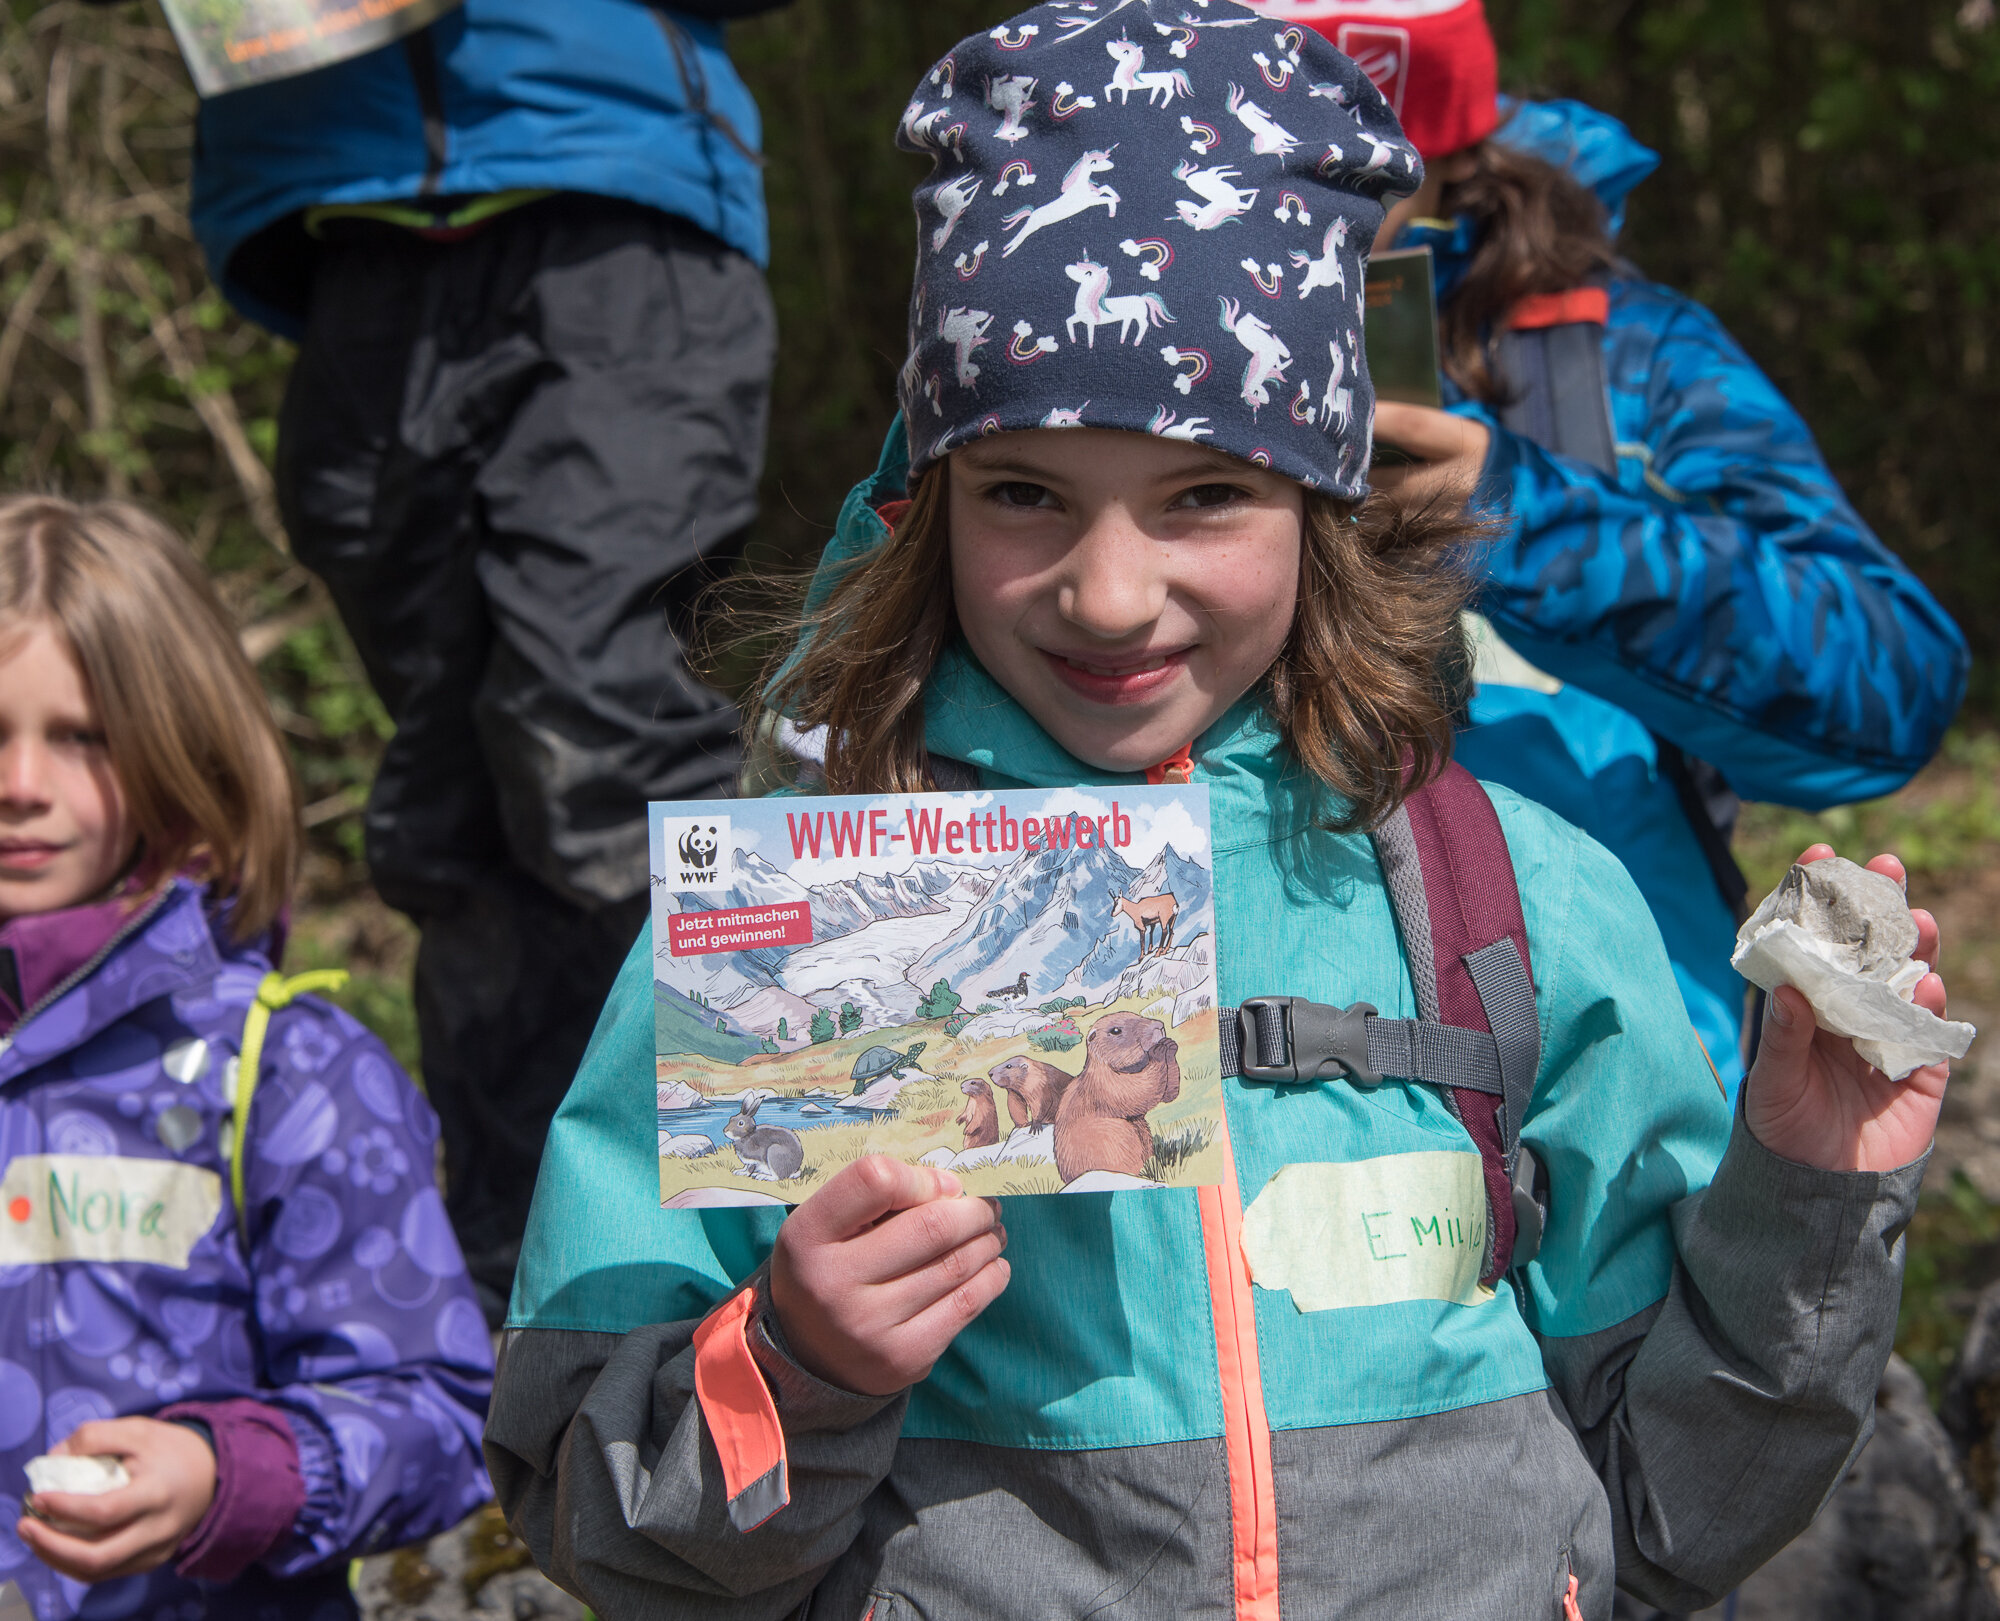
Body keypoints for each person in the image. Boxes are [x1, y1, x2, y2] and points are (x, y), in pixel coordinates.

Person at [482, 10, 1952, 1618]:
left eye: (1206, 494)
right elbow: (593, 1504)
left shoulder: (1517, 899)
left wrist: (1808, 1185)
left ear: (1333, 504)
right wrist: (798, 1363)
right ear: (927, 501)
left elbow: (1668, 1514)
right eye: (1023, 491)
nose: (1111, 595)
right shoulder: (792, 925)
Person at [100, 0, 792, 1324]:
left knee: (607, 747)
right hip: (338, 233)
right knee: (447, 802)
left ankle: (745, 1235)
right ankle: (526, 1297)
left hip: (609, 194)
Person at [1247, 0, 1968, 1098]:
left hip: (1623, 1086)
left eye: (1357, 184)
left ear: (1446, 151)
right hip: (1265, 1073)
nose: (1309, 231)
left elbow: (1890, 686)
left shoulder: (1627, 362)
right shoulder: (1105, 356)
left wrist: (1519, 518)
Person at [0, 498, 492, 1620]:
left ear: (179, 744)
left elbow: (438, 1414)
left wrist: (232, 1477)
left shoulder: (285, 1070)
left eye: (82, 735)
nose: (21, 781)